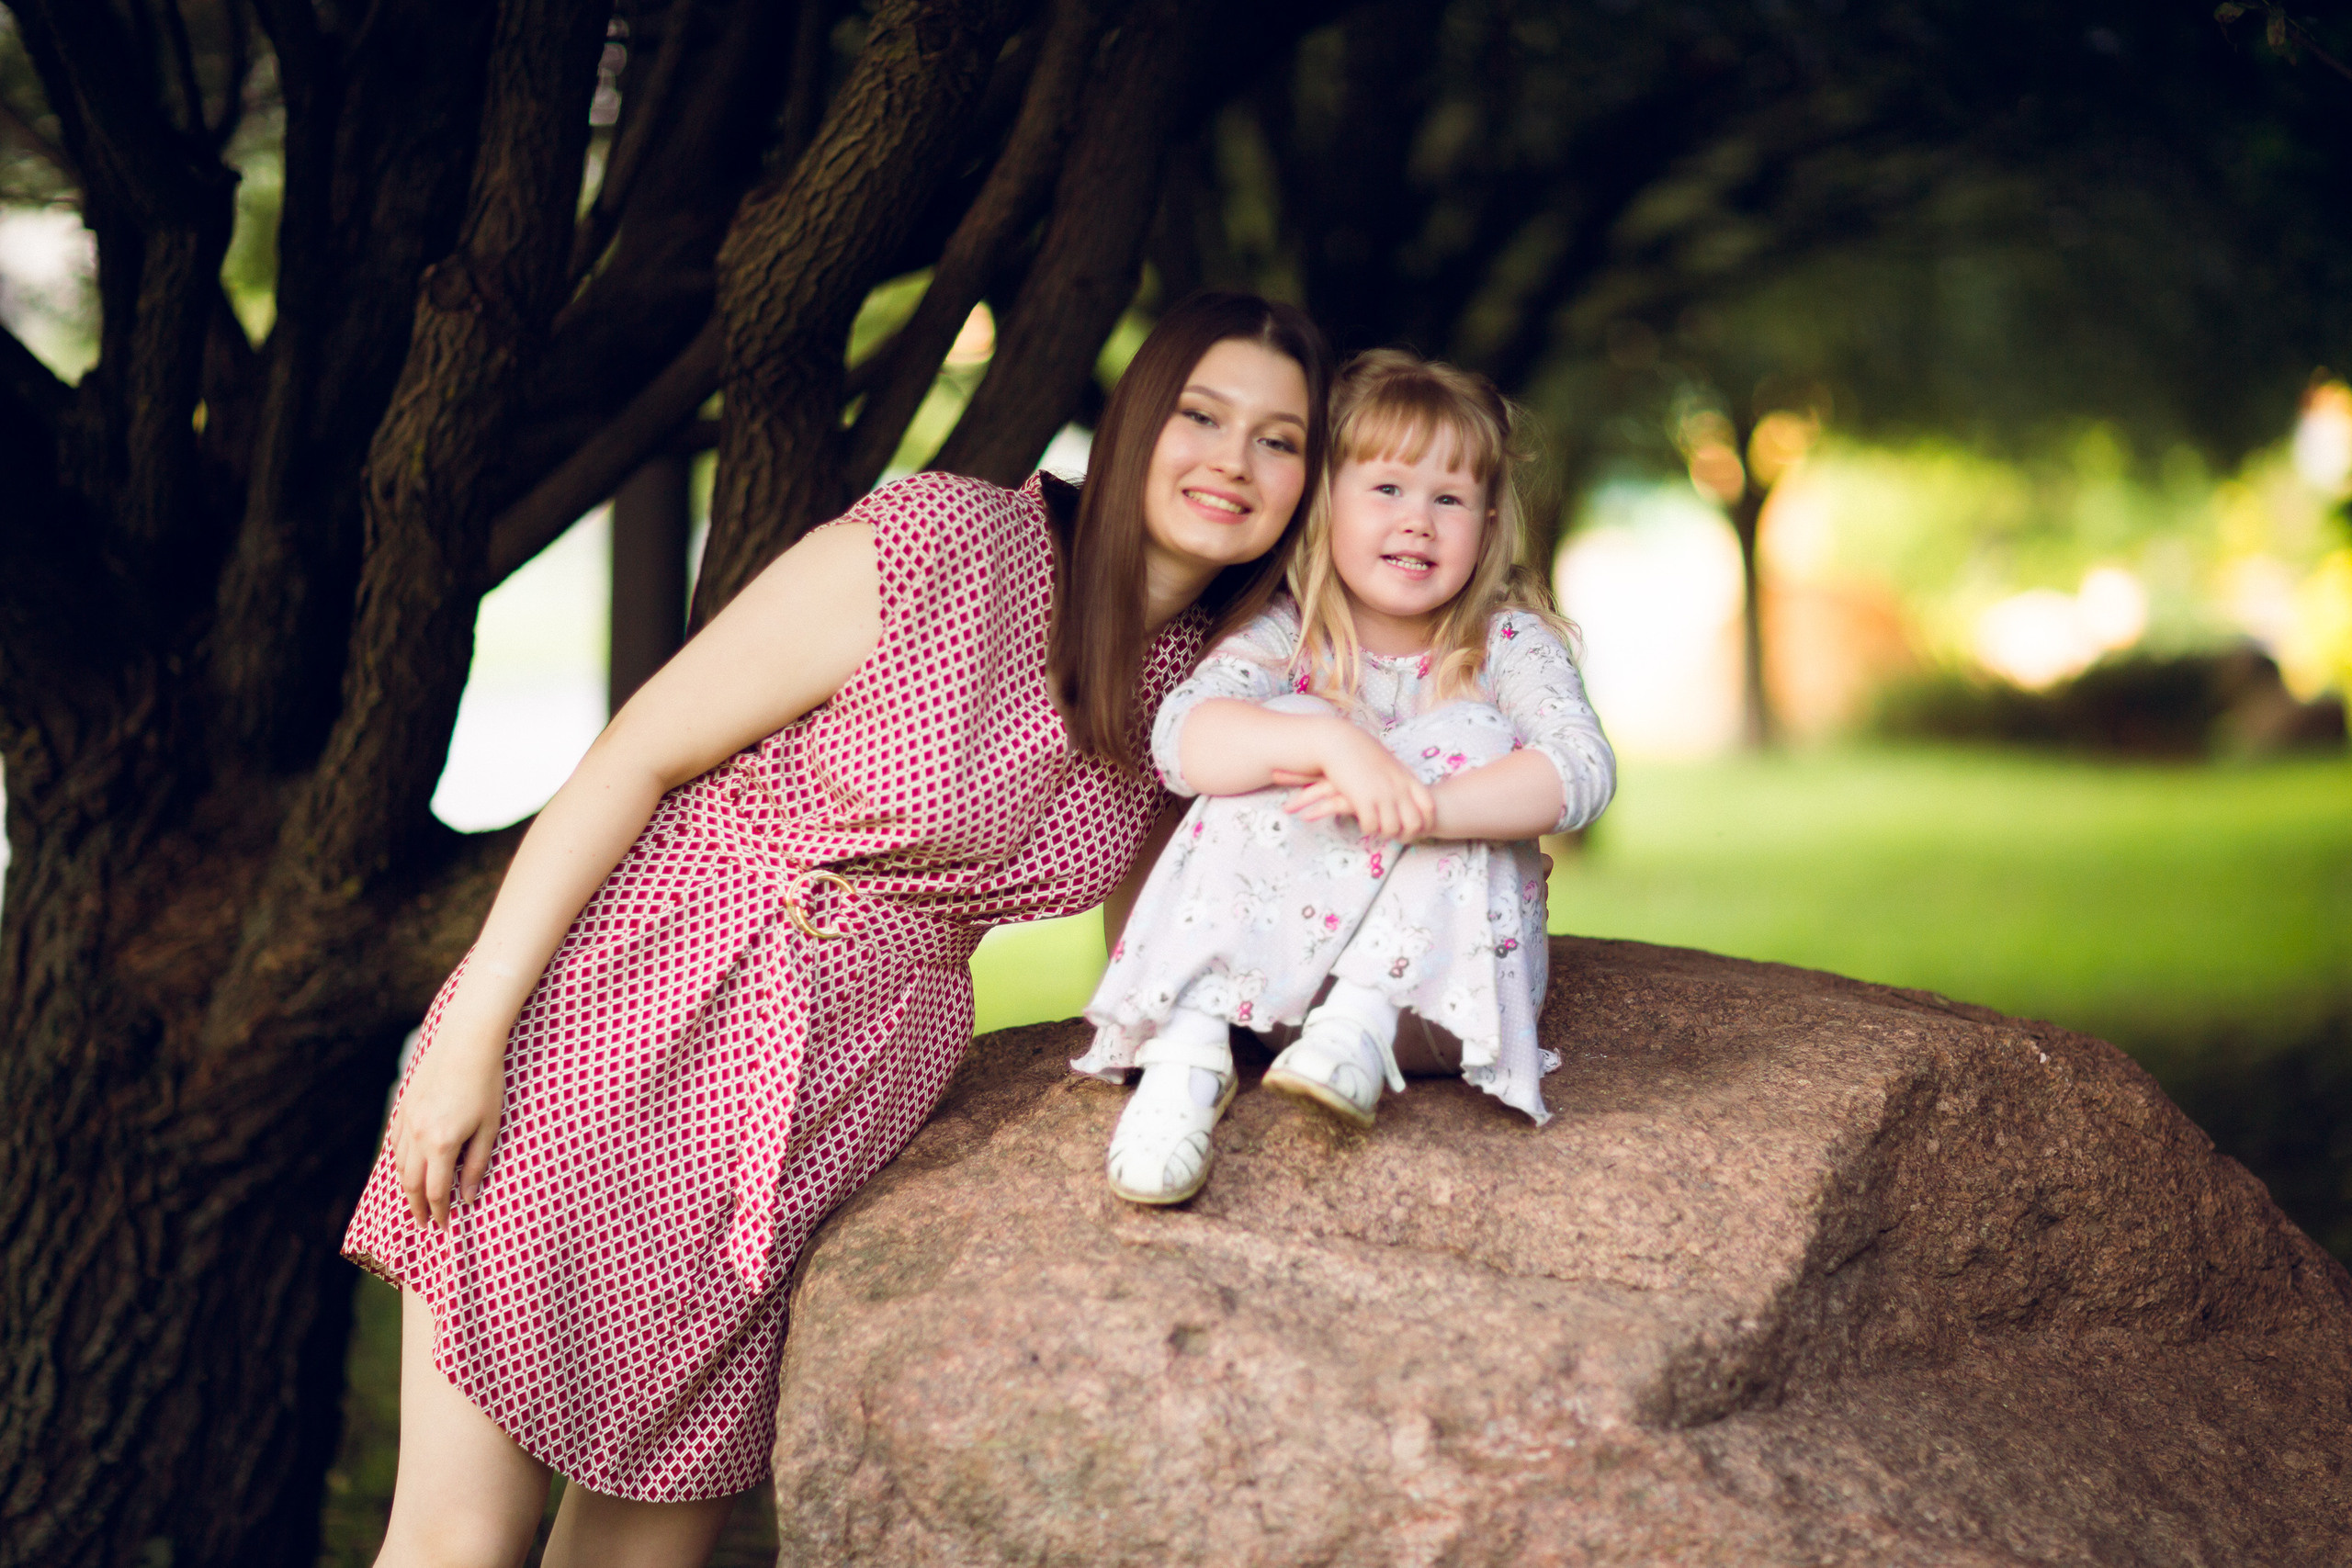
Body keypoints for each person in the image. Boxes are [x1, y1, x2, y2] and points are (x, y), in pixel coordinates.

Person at [342, 291, 1331, 1567]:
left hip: (838, 1108)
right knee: (463, 1534)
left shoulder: (1203, 695)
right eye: (1202, 414)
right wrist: (474, 1027)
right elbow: (638, 752)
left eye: (1279, 439)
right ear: (1139, 417)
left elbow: (1152, 940)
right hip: (633, 1018)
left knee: (647, 1551)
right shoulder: (945, 541)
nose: (1233, 461)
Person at [1073, 349, 1615, 1204]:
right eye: (1388, 490)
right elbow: (1181, 740)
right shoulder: (1289, 635)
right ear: (1326, 505)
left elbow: (1582, 770)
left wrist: (1430, 809)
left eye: (1450, 498)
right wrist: (1330, 741)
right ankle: (1187, 1059)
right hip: (1271, 983)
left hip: (1429, 1005)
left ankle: (1355, 1031)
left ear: (1487, 521)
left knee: (1474, 732)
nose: (1419, 522)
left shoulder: (1507, 644)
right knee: (1282, 725)